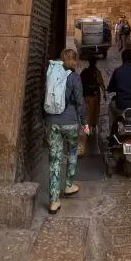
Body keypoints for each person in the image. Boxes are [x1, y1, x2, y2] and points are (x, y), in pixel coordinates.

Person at [45, 48, 89, 213]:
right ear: (74, 60)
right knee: (72, 150)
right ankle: (69, 184)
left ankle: (54, 201)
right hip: (70, 122)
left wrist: (46, 120)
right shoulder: (75, 78)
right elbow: (80, 102)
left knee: (54, 159)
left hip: (52, 122)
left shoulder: (51, 75)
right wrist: (84, 123)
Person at [78, 56, 105, 156]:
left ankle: (88, 131)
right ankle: (87, 133)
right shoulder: (97, 72)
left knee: (88, 116)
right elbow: (101, 83)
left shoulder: (84, 72)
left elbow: (79, 83)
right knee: (92, 116)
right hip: (94, 97)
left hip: (86, 97)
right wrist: (105, 93)